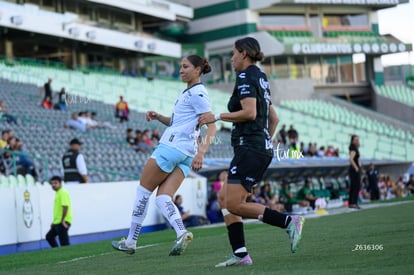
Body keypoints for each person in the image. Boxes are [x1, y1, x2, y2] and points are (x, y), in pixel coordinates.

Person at [199, 37, 305, 267]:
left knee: (234, 204)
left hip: (251, 147)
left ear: (244, 53)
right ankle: (240, 254)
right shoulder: (261, 77)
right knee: (224, 199)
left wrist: (217, 116)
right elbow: (273, 118)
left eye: (233, 53)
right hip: (254, 147)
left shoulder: (247, 76)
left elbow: (249, 113)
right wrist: (265, 140)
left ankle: (288, 221)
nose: (231, 58)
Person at [111, 54, 216, 256]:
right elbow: (178, 123)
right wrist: (159, 116)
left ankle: (131, 241)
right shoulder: (189, 92)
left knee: (143, 191)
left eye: (185, 67)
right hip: (185, 153)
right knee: (163, 198)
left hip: (172, 147)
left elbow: (212, 126)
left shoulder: (197, 93)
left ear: (197, 70)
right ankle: (181, 232)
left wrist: (202, 152)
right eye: (180, 66)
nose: (181, 70)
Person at [46, 176, 72, 248]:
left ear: (60, 184)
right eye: (52, 183)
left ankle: (69, 256)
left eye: (55, 183)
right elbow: (58, 210)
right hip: (57, 222)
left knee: (64, 244)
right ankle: (57, 251)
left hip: (62, 222)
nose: (53, 185)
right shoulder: (58, 193)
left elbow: (65, 207)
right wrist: (54, 221)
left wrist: (63, 220)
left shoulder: (62, 192)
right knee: (49, 237)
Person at [348, 134, 362, 209]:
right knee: (356, 186)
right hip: (354, 170)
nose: (357, 141)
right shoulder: (353, 149)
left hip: (355, 169)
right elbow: (351, 159)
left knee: (354, 186)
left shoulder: (355, 148)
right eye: (356, 140)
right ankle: (353, 202)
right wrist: (356, 167)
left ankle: (352, 202)